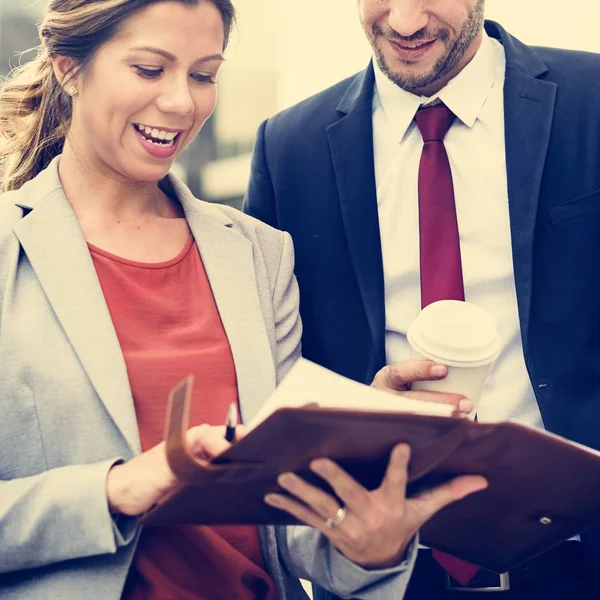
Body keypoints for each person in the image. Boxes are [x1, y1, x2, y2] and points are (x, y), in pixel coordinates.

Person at [0, 0, 489, 598]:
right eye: (150, 70)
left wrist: (359, 487)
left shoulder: (259, 255)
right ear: (67, 69)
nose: (182, 102)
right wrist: (115, 488)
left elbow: (284, 526)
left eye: (203, 75)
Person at [243, 0, 600, 599]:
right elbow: (266, 376)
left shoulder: (593, 101)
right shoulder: (288, 148)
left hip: (581, 558)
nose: (404, 22)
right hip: (385, 576)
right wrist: (358, 411)